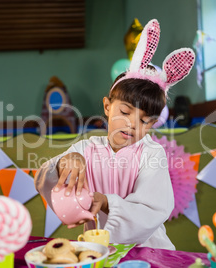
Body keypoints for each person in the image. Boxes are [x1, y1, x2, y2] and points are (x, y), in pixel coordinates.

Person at [35, 19, 195, 250]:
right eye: (125, 112)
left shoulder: (152, 154)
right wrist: (63, 163)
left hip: (149, 250)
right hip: (97, 251)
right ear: (108, 107)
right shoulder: (85, 149)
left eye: (144, 120)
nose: (132, 125)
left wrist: (107, 202)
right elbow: (43, 178)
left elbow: (153, 209)